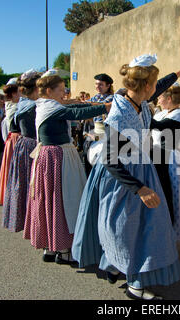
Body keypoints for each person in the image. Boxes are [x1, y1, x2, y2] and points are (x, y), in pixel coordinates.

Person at [72, 55, 180, 300]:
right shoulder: (120, 115)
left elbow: (163, 84)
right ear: (145, 86)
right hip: (122, 179)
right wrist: (141, 189)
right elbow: (112, 162)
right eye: (153, 84)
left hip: (139, 169)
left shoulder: (140, 101)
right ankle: (134, 283)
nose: (157, 88)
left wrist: (179, 72)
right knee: (125, 228)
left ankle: (120, 266)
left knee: (143, 228)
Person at [23, 70, 110, 265]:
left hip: (50, 156)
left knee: (51, 200)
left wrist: (95, 104)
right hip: (57, 157)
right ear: (48, 90)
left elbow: (74, 105)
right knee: (62, 200)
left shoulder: (47, 104)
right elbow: (76, 112)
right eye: (61, 90)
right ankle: (62, 250)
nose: (65, 93)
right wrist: (105, 107)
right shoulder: (52, 107)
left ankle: (51, 247)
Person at [153, 83, 180, 241]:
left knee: (170, 195)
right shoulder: (161, 113)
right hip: (156, 156)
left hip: (169, 158)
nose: (158, 98)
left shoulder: (179, 113)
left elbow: (158, 127)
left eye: (160, 96)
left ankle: (170, 236)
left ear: (169, 98)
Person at [3, 69, 40, 232]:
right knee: (32, 186)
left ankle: (27, 220)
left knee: (24, 184)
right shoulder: (34, 105)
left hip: (23, 145)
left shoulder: (22, 104)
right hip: (32, 146)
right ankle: (32, 222)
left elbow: (14, 127)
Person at [81, 74, 115, 175]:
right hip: (93, 133)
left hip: (105, 134)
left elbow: (98, 108)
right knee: (87, 158)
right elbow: (85, 106)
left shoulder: (111, 98)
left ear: (108, 85)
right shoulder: (95, 97)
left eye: (100, 84)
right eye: (96, 84)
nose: (97, 86)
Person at [0, 80, 21, 206]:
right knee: (14, 170)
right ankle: (12, 195)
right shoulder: (13, 106)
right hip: (15, 140)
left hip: (14, 139)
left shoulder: (13, 104)